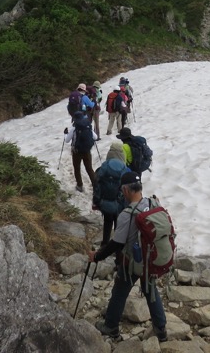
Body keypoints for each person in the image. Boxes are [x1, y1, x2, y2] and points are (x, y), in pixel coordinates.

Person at [89, 172, 168, 343]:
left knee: (119, 292)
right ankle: (161, 330)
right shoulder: (153, 202)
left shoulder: (127, 214)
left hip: (133, 262)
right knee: (150, 291)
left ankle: (110, 326)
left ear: (126, 190)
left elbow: (116, 243)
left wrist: (97, 256)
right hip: (151, 259)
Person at [92, 141, 129, 245]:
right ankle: (117, 248)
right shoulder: (124, 169)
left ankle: (105, 243)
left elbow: (96, 185)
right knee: (119, 224)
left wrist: (96, 201)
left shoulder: (104, 167)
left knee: (107, 222)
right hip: (119, 204)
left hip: (105, 202)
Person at [64, 110, 97, 192]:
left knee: (77, 168)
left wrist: (65, 134)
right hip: (87, 151)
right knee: (89, 169)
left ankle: (80, 185)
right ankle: (95, 186)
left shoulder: (74, 128)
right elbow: (95, 137)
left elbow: (67, 140)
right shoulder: (87, 125)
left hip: (76, 152)